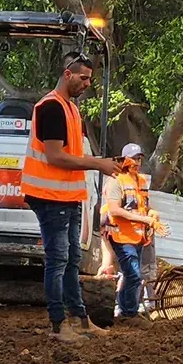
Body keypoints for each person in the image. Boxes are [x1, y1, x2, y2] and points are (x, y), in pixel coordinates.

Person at [22, 51, 122, 342]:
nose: (87, 83)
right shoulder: (51, 107)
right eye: (83, 77)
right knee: (58, 259)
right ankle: (58, 324)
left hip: (66, 195)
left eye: (90, 78)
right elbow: (55, 157)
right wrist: (98, 163)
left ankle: (79, 319)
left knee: (72, 258)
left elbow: (71, 155)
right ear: (67, 74)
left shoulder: (71, 109)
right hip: (49, 195)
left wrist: (101, 161)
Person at [102, 143, 167, 326]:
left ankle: (124, 311)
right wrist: (145, 220)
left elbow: (143, 207)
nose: (136, 162)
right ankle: (128, 312)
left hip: (138, 237)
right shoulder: (116, 181)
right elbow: (114, 210)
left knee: (132, 275)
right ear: (124, 160)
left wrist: (151, 214)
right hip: (121, 237)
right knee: (134, 275)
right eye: (133, 158)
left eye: (139, 159)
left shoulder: (140, 181)